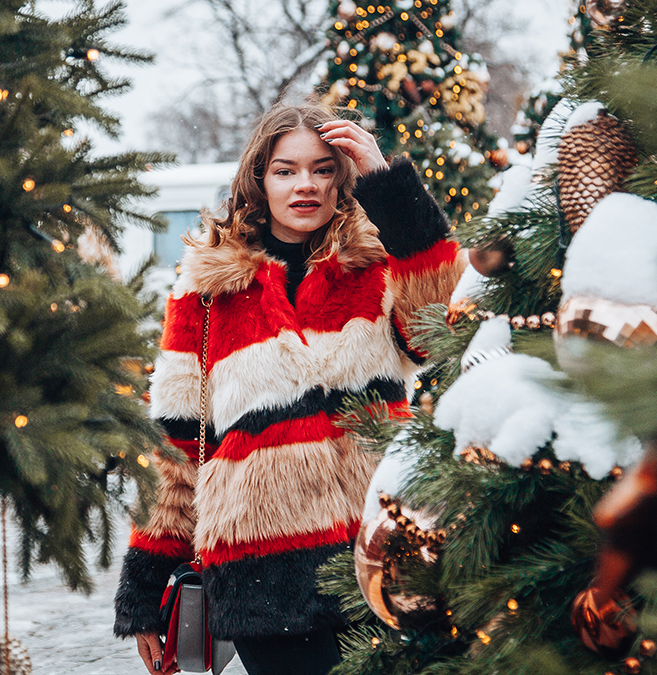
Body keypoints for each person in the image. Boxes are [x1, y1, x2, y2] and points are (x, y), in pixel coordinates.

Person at [113, 104, 464, 675]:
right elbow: (177, 448)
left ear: (344, 178)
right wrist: (145, 594)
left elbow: (440, 331)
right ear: (259, 179)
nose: (306, 184)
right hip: (261, 569)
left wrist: (387, 182)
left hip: (380, 552)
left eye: (324, 169)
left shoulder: (377, 266)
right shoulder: (206, 290)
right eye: (286, 169)